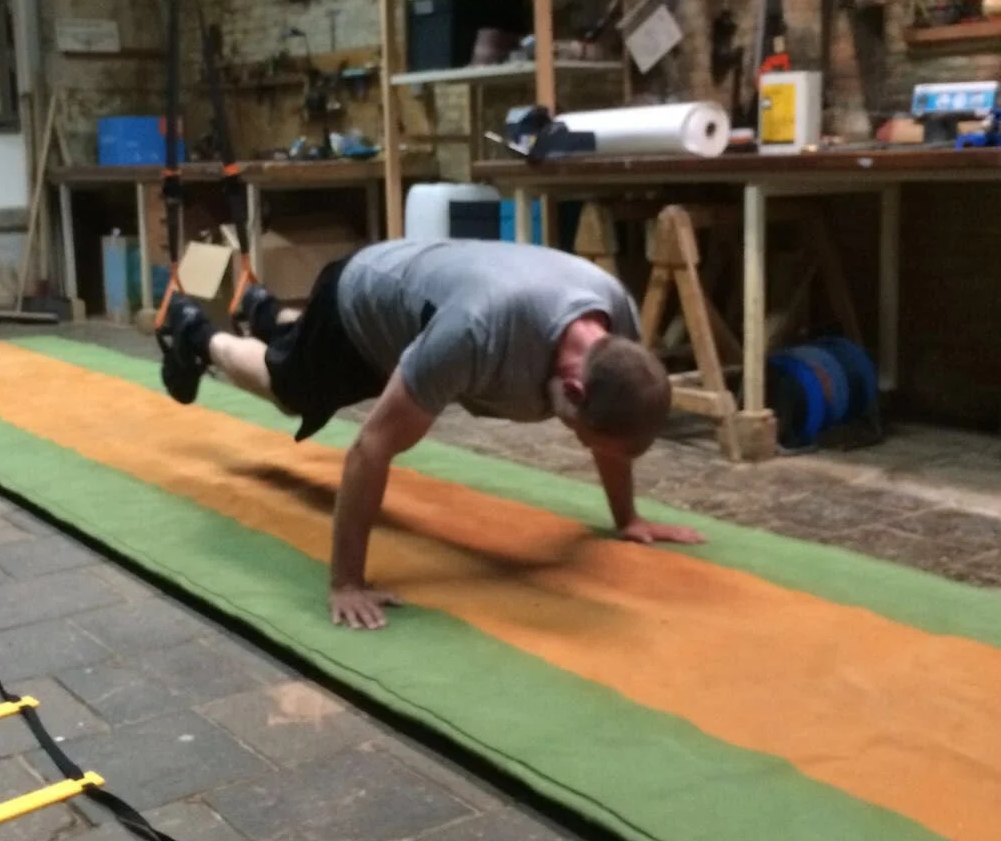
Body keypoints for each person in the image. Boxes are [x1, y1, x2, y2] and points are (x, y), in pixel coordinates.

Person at [159, 239, 703, 630]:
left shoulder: (617, 329)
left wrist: (626, 518)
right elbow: (371, 446)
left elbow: (611, 425)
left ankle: (264, 310)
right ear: (575, 390)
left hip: (423, 306)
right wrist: (347, 582)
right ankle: (197, 334)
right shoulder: (478, 333)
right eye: (586, 441)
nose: (588, 451)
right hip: (360, 303)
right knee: (286, 388)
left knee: (349, 360)